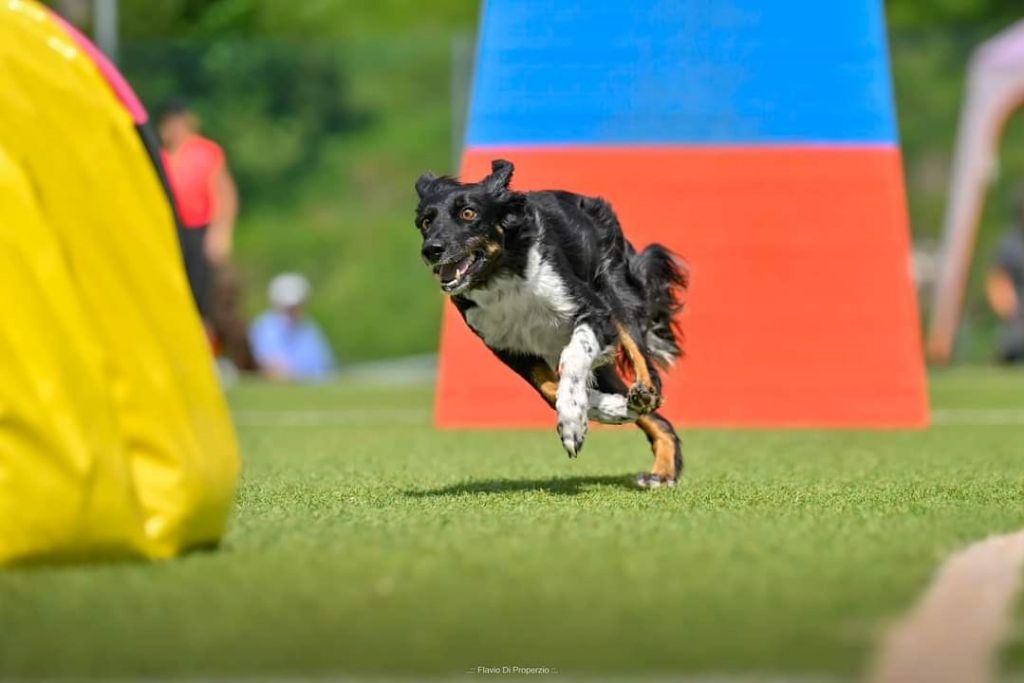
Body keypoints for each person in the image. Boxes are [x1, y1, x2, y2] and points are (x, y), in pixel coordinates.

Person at [158, 98, 238, 321]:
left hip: (201, 229)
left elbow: (225, 193)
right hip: (174, 230)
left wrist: (221, 231)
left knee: (206, 293)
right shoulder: (164, 156)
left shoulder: (206, 152)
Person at [250, 273, 336, 381]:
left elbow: (325, 366)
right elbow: (268, 364)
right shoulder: (264, 326)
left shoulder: (310, 328)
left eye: (297, 306)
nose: (294, 311)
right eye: (289, 307)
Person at [986, 194, 1024, 363]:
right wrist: (1008, 309)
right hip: (1018, 315)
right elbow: (997, 281)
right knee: (1013, 344)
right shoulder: (1009, 244)